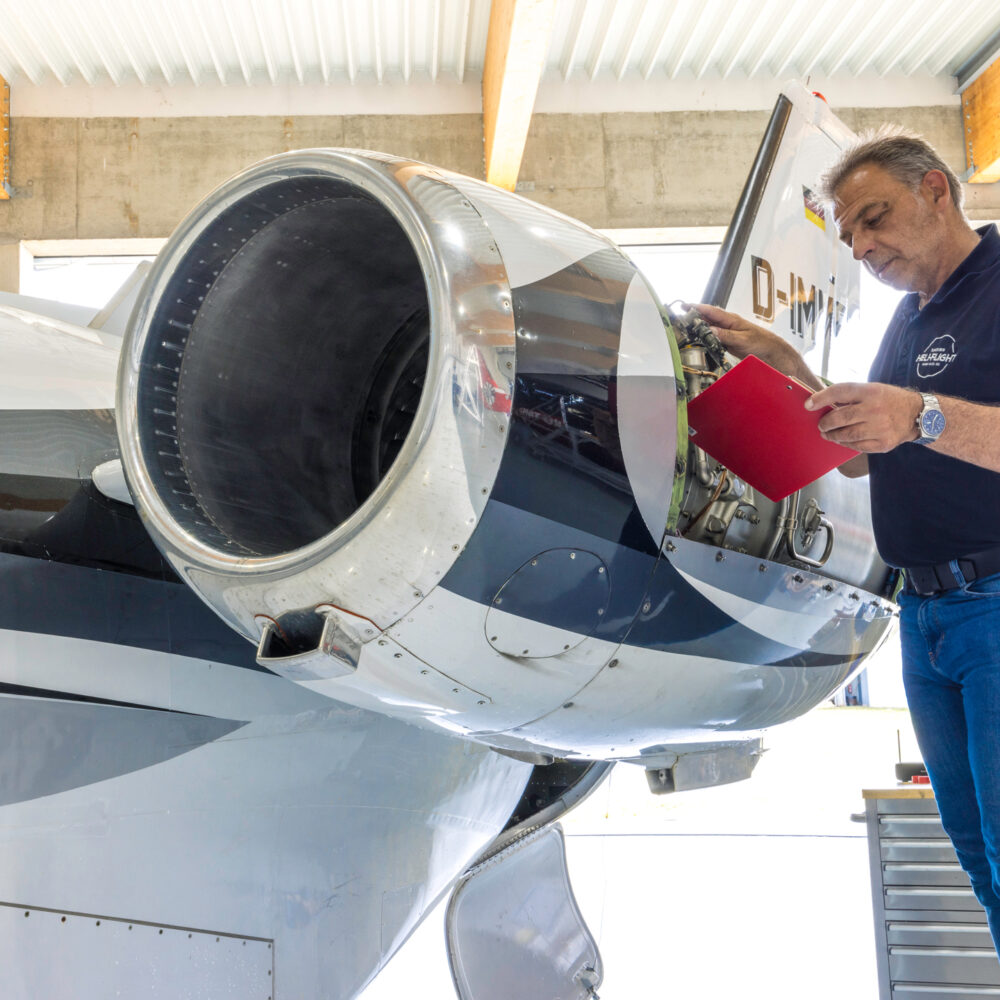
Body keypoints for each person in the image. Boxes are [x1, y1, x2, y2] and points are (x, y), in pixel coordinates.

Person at [693, 127, 1000, 953]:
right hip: (928, 622)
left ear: (938, 190)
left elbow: (918, 424)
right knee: (977, 858)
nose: (863, 246)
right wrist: (790, 365)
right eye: (851, 233)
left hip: (995, 608)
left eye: (876, 218)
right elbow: (873, 458)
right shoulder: (909, 318)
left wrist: (919, 414)